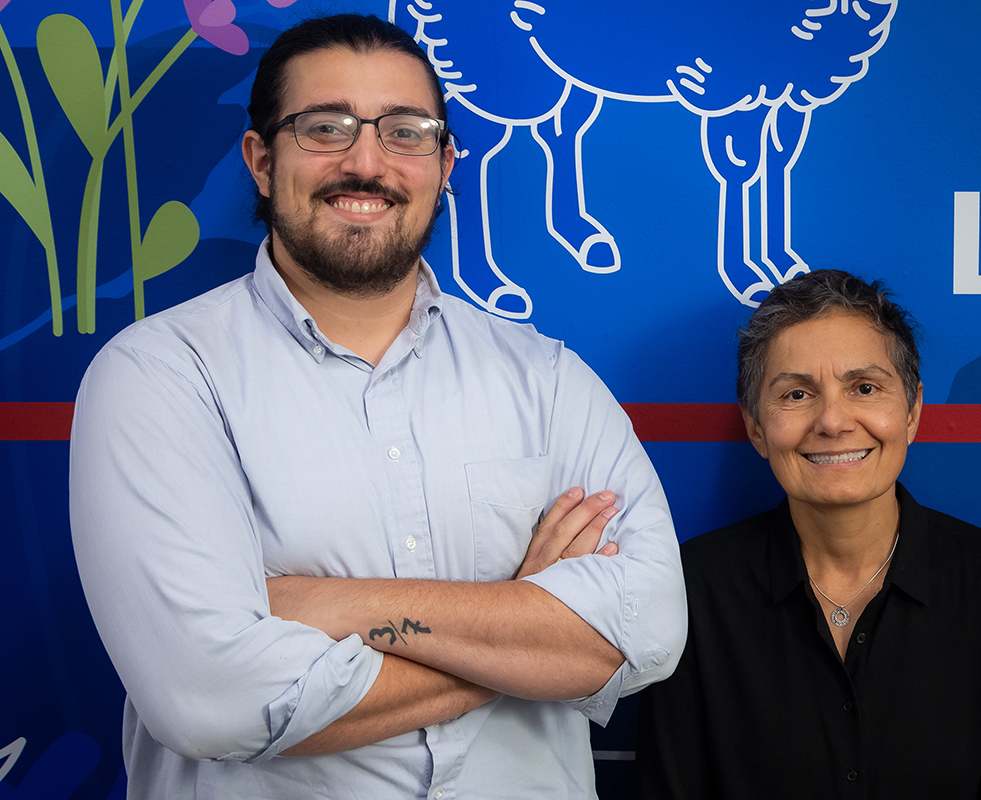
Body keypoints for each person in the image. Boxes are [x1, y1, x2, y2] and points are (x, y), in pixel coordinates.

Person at [68, 14, 685, 799]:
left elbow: (650, 633)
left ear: (443, 162)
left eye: (406, 131)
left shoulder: (549, 380)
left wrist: (324, 606)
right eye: (326, 127)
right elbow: (212, 702)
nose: (367, 162)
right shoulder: (159, 376)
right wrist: (526, 624)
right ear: (262, 160)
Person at [636, 270, 981, 799]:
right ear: (756, 429)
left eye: (864, 387)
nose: (832, 421)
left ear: (912, 411)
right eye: (796, 394)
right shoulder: (695, 588)